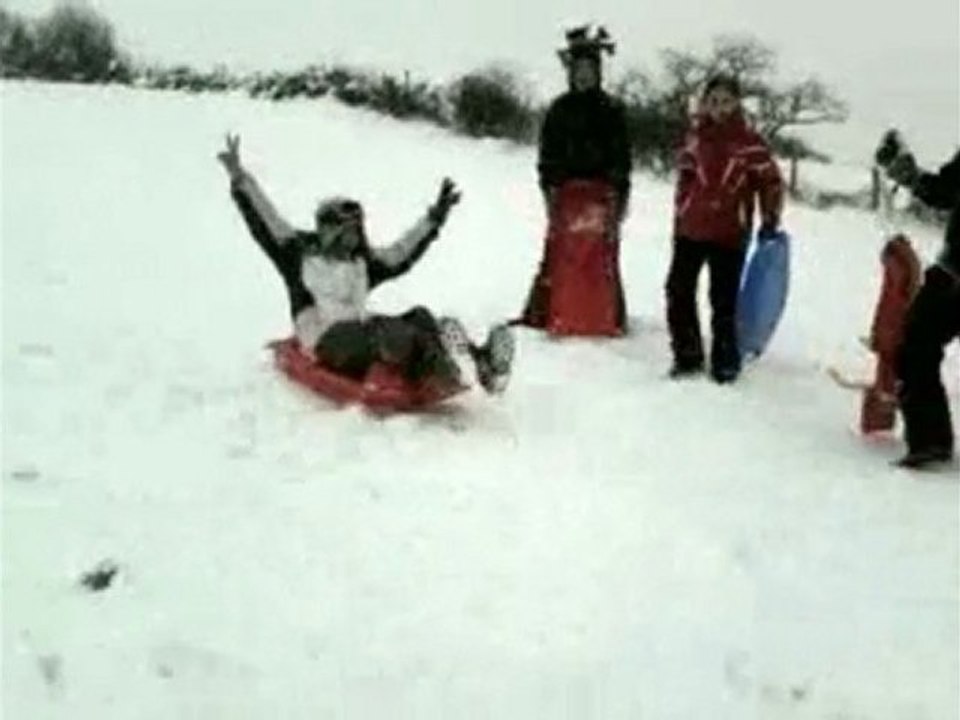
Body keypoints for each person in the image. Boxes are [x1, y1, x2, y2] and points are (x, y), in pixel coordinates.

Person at [216, 133, 514, 394]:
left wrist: (434, 218)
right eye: (345, 231)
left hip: (361, 330)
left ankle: (481, 363)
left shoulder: (363, 263)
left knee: (420, 318)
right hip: (324, 338)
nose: (351, 238)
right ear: (328, 230)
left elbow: (402, 252)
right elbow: (264, 219)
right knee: (390, 335)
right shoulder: (297, 254)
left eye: (355, 231)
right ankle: (449, 368)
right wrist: (239, 178)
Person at [666, 74, 784, 383]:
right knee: (678, 291)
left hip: (729, 233)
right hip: (690, 230)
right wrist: (681, 211)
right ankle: (687, 356)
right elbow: (685, 178)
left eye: (726, 101)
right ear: (705, 103)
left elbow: (770, 183)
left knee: (723, 301)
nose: (719, 108)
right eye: (713, 101)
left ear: (737, 104)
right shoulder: (694, 139)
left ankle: (725, 363)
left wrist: (770, 218)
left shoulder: (750, 144)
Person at [517, 24, 632, 331]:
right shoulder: (559, 110)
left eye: (589, 70)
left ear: (598, 72)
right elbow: (547, 155)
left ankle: (608, 315)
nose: (583, 75)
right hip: (566, 194)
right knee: (556, 253)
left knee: (603, 256)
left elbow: (622, 158)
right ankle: (543, 312)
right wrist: (550, 187)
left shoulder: (612, 110)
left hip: (602, 194)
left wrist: (618, 193)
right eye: (578, 69)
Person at [875, 130, 960, 468]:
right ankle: (930, 441)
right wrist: (907, 173)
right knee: (914, 347)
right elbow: (945, 192)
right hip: (954, 272)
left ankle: (932, 441)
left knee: (916, 347)